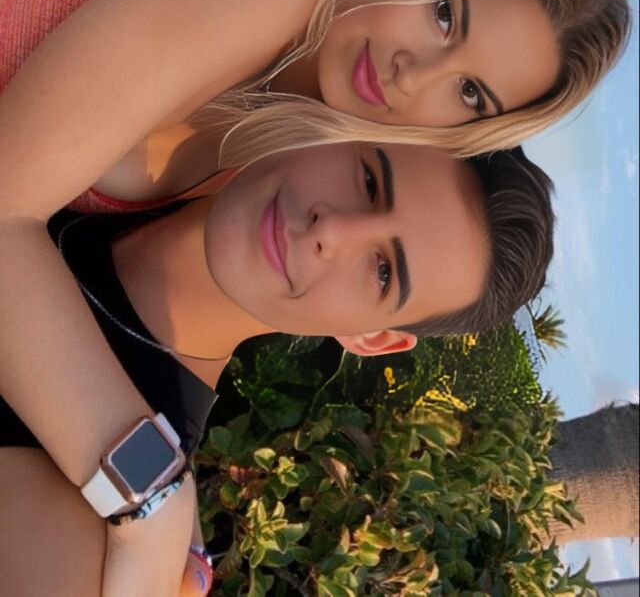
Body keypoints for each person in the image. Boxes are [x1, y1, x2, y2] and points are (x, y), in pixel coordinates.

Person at [0, 0, 629, 593]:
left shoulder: (261, 144)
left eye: (468, 91)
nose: (412, 74)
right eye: (444, 13)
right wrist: (154, 495)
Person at [0, 138, 555, 596]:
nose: (330, 231)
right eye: (368, 181)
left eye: (383, 271)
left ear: (373, 338)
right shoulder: (116, 137)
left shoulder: (106, 528)